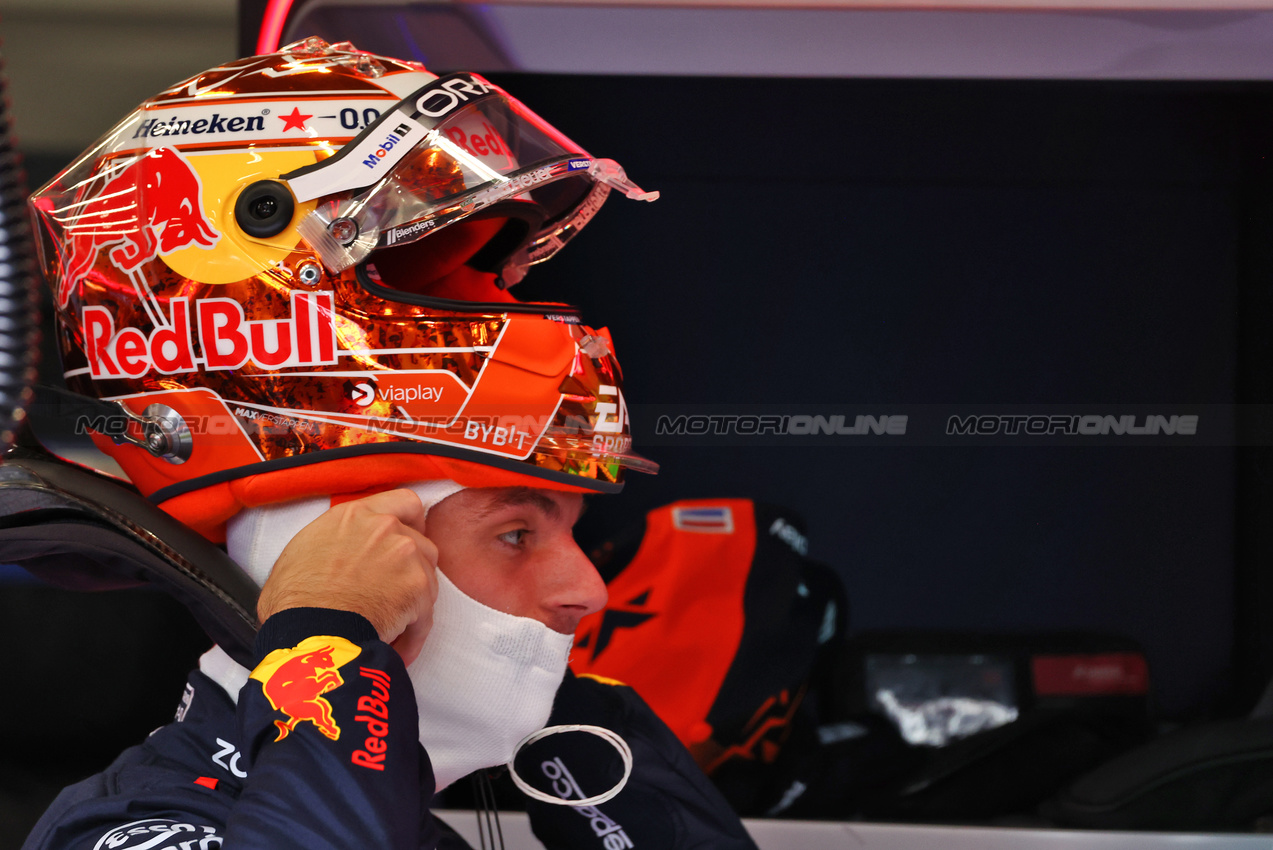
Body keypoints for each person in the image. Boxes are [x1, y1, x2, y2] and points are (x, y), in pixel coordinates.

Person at [21, 38, 757, 849]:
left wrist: (592, 745)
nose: (591, 592)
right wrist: (326, 641)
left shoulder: (403, 825)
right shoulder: (131, 830)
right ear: (327, 557)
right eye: (515, 533)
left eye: (565, 534)